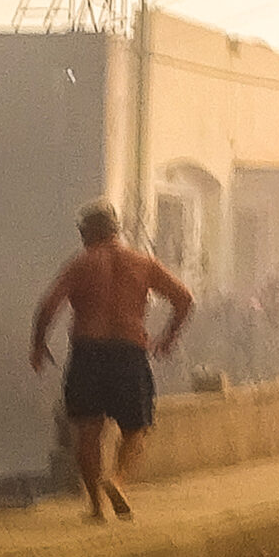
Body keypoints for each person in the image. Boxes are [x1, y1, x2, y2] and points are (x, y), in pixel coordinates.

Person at [31, 201, 195, 521]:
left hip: (88, 351)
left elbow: (48, 305)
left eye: (82, 230)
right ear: (115, 230)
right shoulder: (143, 263)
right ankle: (116, 480)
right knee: (136, 427)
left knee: (88, 430)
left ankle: (96, 507)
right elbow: (184, 299)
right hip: (129, 351)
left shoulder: (81, 264)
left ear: (90, 231)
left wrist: (38, 345)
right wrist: (168, 338)